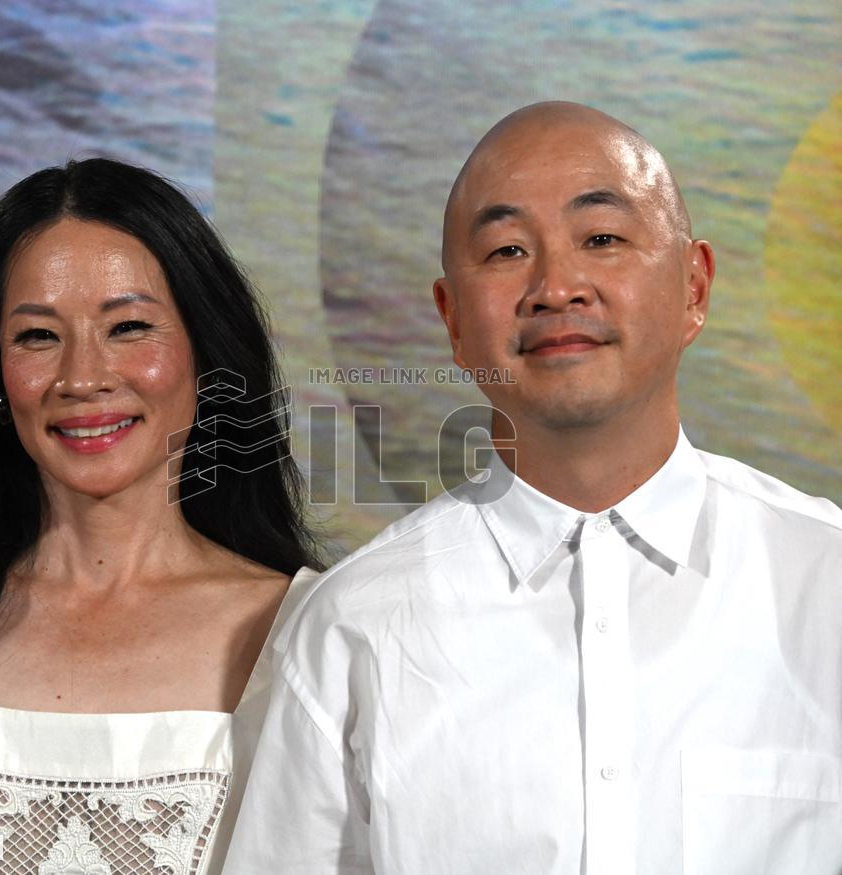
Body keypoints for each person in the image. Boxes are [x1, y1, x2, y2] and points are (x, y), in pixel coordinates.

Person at [224, 102, 842, 873]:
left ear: (694, 287)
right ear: (452, 319)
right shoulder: (353, 629)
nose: (556, 286)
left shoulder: (827, 583)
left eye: (603, 239)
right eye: (509, 249)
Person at [0, 157, 324, 873]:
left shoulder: (315, 632)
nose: (82, 377)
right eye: (38, 336)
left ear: (206, 357)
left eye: (128, 326)